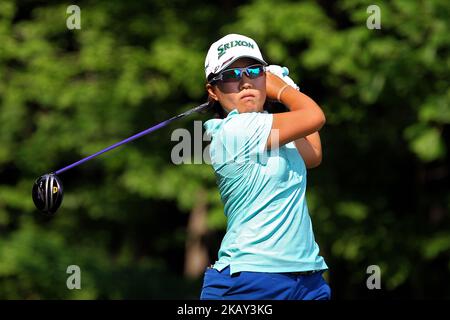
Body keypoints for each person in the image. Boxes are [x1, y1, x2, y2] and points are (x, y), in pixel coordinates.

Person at [200, 34, 330, 300]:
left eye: (254, 71)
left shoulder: (271, 128)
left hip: (307, 278)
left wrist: (289, 88)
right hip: (249, 281)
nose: (245, 81)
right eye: (231, 74)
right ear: (213, 91)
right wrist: (284, 90)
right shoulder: (234, 131)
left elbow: (313, 153)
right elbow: (315, 117)